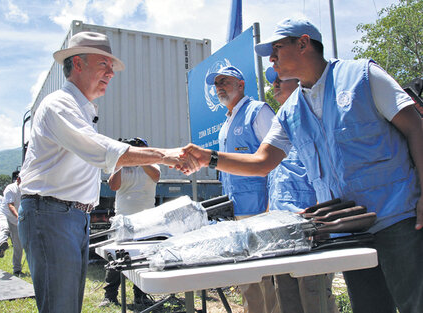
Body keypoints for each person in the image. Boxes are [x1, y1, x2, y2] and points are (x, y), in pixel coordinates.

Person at [181, 17, 423, 313]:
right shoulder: (291, 110)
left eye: (277, 48)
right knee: (370, 307)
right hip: (347, 229)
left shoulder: (363, 76)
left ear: (304, 43)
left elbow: (415, 128)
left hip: (398, 218)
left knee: (415, 303)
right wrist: (210, 158)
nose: (271, 58)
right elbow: (262, 162)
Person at [18, 31, 188, 313]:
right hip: (51, 214)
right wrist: (165, 155)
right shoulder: (59, 104)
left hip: (69, 215)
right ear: (78, 63)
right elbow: (100, 149)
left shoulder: (82, 109)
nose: (111, 72)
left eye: (111, 67)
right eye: (104, 64)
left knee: (68, 304)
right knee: (60, 306)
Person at [266, 67, 338, 313]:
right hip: (279, 229)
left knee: (314, 296)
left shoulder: (315, 121)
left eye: (279, 80)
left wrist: (319, 220)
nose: (274, 85)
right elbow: (275, 182)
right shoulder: (279, 128)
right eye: (273, 81)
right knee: (286, 297)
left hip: (310, 228)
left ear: (299, 82)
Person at [205, 65, 276, 313]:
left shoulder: (257, 112)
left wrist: (271, 208)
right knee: (248, 279)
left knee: (267, 279)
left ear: (241, 84)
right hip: (237, 213)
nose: (219, 86)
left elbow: (279, 159)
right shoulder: (226, 122)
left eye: (225, 81)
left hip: (261, 211)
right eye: (216, 83)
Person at [100, 137, 160, 308]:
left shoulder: (152, 164)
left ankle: (141, 295)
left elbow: (156, 176)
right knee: (115, 259)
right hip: (123, 220)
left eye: (139, 148)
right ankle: (110, 295)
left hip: (146, 221)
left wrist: (140, 158)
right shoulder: (121, 166)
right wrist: (121, 161)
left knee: (143, 258)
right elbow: (113, 186)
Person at [0, 174, 23, 276]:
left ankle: (17, 269)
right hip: (5, 214)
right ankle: (2, 246)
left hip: (16, 220)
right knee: (4, 228)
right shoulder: (10, 188)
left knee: (18, 245)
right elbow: (10, 205)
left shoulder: (26, 190)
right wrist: (18, 216)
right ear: (18, 179)